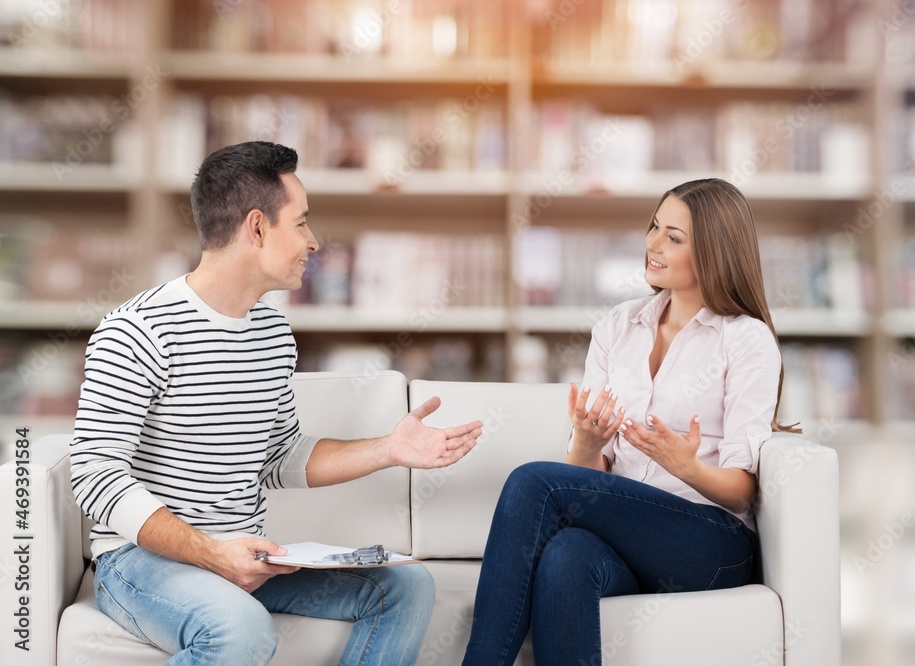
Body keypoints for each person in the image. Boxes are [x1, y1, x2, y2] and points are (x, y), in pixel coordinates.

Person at [70, 141, 483, 666]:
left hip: (241, 554)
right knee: (241, 630)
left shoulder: (271, 330)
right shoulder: (138, 330)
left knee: (405, 587)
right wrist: (212, 553)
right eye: (302, 223)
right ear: (258, 227)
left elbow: (277, 455)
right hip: (142, 560)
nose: (313, 242)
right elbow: (93, 471)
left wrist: (389, 449)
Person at [461, 178, 799, 665]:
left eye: (674, 237)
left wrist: (687, 467)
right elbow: (589, 483)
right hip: (628, 537)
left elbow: (743, 491)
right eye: (654, 227)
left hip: (710, 542)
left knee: (533, 481)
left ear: (715, 253)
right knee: (567, 557)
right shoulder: (618, 327)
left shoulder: (746, 340)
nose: (652, 244)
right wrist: (587, 441)